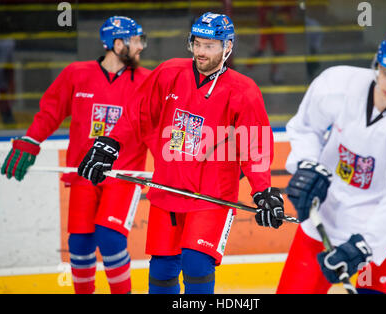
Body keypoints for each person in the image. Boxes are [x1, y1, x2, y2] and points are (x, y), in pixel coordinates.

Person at [78, 12, 285, 294]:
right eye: (196, 43)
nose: (200, 51)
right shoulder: (169, 72)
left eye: (209, 45)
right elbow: (137, 114)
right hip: (167, 193)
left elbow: (255, 146)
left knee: (196, 264)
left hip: (212, 197)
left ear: (228, 47)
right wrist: (109, 144)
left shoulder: (244, 91)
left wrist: (262, 191)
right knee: (162, 271)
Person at [277, 30, 386, 294]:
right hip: (324, 218)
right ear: (377, 63)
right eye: (385, 73)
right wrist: (306, 165)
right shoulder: (337, 84)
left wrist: (366, 245)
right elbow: (306, 127)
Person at [0, 16, 151, 294]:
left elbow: (159, 122)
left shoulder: (148, 81)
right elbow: (50, 112)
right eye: (136, 40)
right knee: (80, 244)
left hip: (123, 176)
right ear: (118, 44)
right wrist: (31, 141)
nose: (141, 47)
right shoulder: (76, 74)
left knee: (110, 238)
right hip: (84, 174)